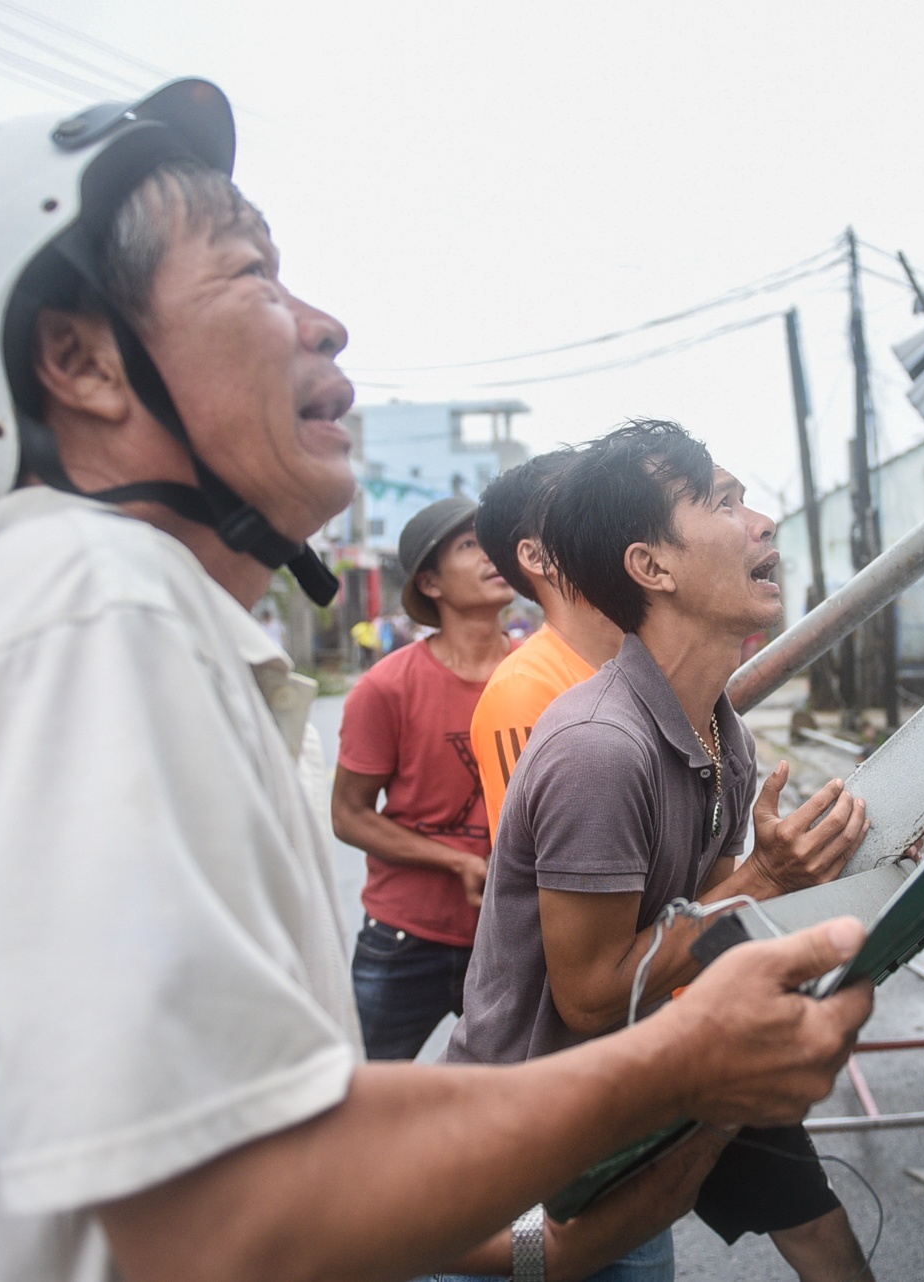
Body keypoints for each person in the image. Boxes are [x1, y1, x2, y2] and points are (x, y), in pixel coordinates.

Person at [0, 81, 874, 1282]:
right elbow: (226, 1218)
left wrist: (541, 1242)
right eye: (251, 272)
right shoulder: (89, 620)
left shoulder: (136, 626)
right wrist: (672, 1066)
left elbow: (271, 1145)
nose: (326, 324)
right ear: (81, 360)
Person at [448, 421, 876, 1281]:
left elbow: (701, 914)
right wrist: (765, 878)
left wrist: (800, 875)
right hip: (524, 1167)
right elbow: (592, 996)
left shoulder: (722, 732)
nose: (762, 523)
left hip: (628, 1129)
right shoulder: (599, 747)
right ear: (651, 566)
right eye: (722, 503)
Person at [333, 496, 515, 1060]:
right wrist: (456, 861)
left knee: (523, 1100)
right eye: (469, 545)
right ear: (430, 583)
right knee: (364, 1095)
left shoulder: (541, 676)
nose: (492, 555)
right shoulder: (386, 688)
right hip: (403, 938)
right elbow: (348, 815)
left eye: (494, 540)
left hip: (511, 940)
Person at [469, 450, 624, 838]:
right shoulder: (521, 691)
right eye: (590, 512)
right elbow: (546, 862)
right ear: (538, 557)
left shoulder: (652, 664)